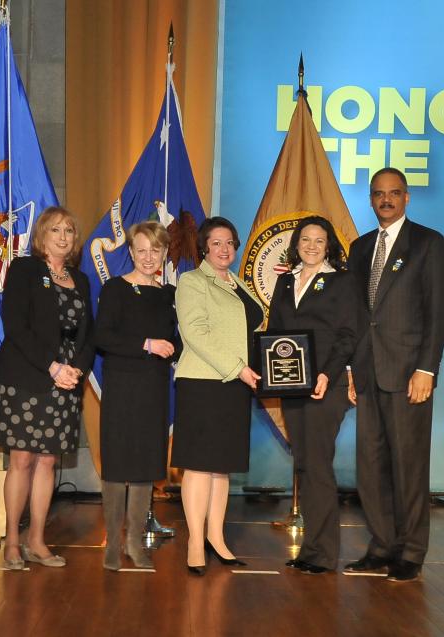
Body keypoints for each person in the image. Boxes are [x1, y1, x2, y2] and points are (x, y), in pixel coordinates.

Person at [345, 167, 444, 582]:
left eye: (394, 193)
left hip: (409, 374)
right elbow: (355, 316)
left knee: (408, 466)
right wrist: (351, 369)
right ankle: (382, 544)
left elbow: (437, 312)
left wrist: (428, 368)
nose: (386, 200)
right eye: (378, 194)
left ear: (407, 198)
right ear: (371, 200)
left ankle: (410, 551)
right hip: (368, 373)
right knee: (370, 466)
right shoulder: (359, 247)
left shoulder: (428, 243)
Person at [0, 206, 95, 570]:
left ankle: (37, 540)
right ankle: (12, 541)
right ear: (41, 236)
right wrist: (52, 367)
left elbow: (88, 335)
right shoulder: (25, 270)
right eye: (55, 230)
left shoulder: (80, 279)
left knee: (48, 460)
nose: (63, 237)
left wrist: (76, 369)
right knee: (22, 459)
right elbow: (16, 326)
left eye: (68, 231)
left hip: (66, 380)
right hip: (27, 376)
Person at [171, 217, 263, 575]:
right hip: (204, 383)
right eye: (217, 243)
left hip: (235, 384)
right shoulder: (192, 281)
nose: (225, 249)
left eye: (230, 243)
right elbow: (195, 333)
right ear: (204, 248)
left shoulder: (239, 284)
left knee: (221, 467)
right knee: (198, 465)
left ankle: (216, 538)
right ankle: (195, 542)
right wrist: (239, 367)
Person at [266, 215, 357, 575]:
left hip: (325, 387)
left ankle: (323, 554)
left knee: (318, 467)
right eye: (306, 238)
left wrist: (326, 374)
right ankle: (310, 549)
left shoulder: (342, 282)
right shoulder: (285, 283)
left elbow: (348, 335)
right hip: (292, 386)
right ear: (297, 242)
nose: (312, 245)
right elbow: (275, 333)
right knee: (304, 464)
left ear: (329, 245)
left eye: (320, 240)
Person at [93, 221, 180, 571]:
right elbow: (102, 337)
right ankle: (113, 543)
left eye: (155, 250)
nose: (148, 257)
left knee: (145, 465)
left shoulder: (168, 294)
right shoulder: (115, 288)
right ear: (130, 252)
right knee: (116, 465)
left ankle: (134, 542)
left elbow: (176, 343)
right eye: (141, 250)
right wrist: (146, 345)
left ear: (164, 253)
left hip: (155, 387)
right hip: (122, 385)